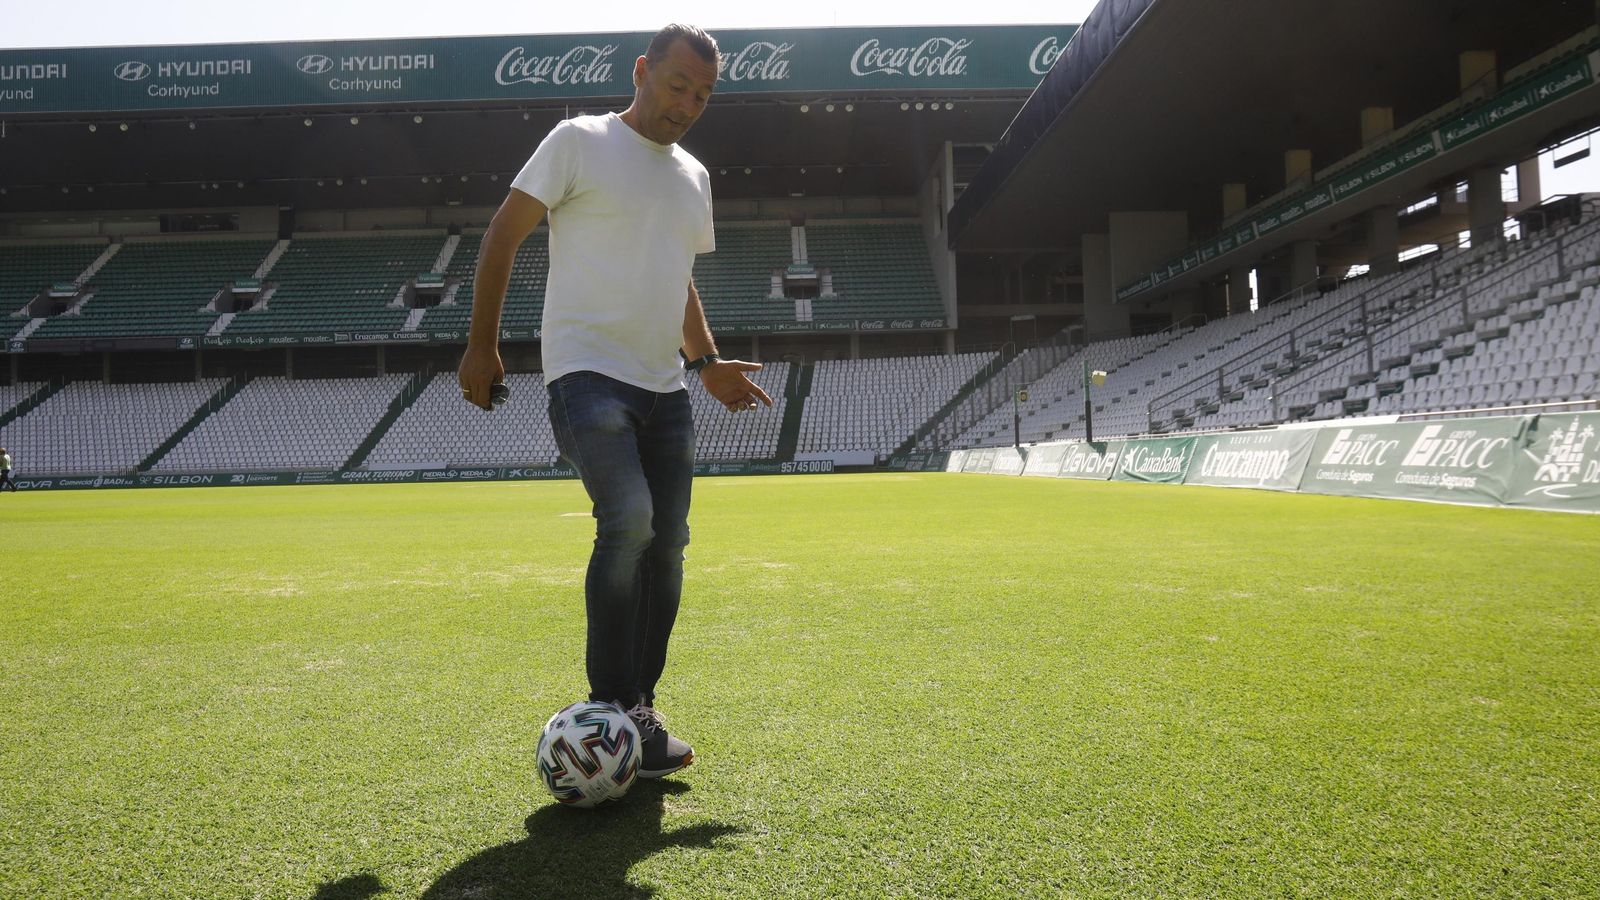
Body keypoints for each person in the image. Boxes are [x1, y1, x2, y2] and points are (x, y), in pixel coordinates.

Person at [458, 24, 772, 780]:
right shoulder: (578, 141)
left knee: (669, 545)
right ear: (642, 71)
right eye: (678, 85)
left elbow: (679, 277)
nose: (689, 103)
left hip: (665, 385)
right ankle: (606, 705)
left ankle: (637, 712)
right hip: (586, 373)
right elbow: (503, 235)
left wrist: (705, 362)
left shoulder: (693, 176)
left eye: (703, 93)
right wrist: (480, 345)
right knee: (628, 519)